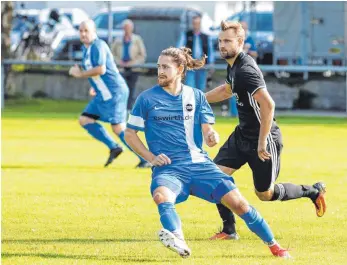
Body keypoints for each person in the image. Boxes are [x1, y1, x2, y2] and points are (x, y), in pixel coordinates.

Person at [124, 46, 290, 258]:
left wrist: (212, 136)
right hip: (169, 169)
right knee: (161, 196)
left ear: (180, 68)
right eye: (158, 67)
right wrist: (151, 158)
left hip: (200, 165)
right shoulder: (146, 99)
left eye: (165, 67)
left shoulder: (195, 96)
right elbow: (130, 134)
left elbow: (208, 130)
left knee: (239, 204)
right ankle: (178, 239)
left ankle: (275, 246)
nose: (160, 72)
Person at [205, 21, 327, 240]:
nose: (222, 45)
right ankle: (229, 230)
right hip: (242, 134)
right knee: (214, 177)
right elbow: (227, 90)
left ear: (240, 42)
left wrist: (261, 142)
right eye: (220, 41)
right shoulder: (233, 65)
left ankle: (313, 191)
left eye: (227, 41)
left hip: (264, 137)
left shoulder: (246, 69)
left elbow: (268, 105)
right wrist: (199, 99)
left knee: (265, 194)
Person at [69, 20, 150, 168]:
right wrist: (95, 86)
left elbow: (101, 69)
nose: (83, 34)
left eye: (86, 30)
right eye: (81, 31)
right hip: (103, 93)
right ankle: (114, 147)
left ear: (94, 31)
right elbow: (97, 74)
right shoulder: (87, 48)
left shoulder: (98, 46)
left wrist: (80, 74)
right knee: (85, 119)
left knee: (118, 127)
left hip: (115, 92)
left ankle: (146, 158)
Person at [112, 19, 146, 110]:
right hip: (121, 68)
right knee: (121, 89)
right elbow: (112, 54)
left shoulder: (137, 39)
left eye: (129, 27)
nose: (127, 29)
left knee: (131, 89)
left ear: (132, 28)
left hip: (134, 68)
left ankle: (129, 109)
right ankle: (120, 108)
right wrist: (119, 62)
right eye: (125, 27)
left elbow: (142, 55)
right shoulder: (118, 39)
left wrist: (132, 63)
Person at [177, 15, 214, 92]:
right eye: (194, 23)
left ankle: (199, 103)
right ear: (192, 24)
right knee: (189, 87)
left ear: (200, 24)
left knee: (201, 88)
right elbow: (179, 48)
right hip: (190, 66)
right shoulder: (186, 35)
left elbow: (210, 51)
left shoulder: (206, 37)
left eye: (198, 23)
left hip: (203, 66)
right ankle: (190, 103)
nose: (196, 25)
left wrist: (211, 63)